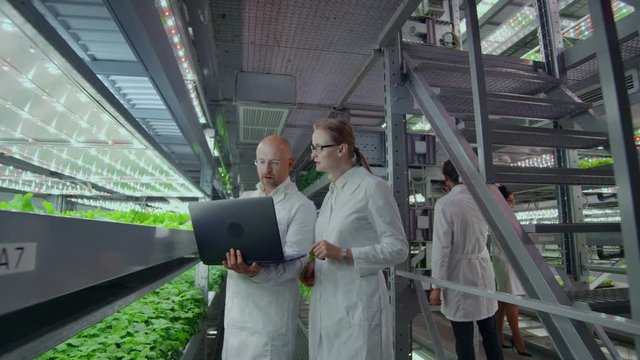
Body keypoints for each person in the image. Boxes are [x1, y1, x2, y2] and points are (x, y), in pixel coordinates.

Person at [299, 117, 409, 360]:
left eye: (319, 147)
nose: (313, 154)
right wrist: (314, 265)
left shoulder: (372, 187)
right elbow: (332, 244)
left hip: (357, 308)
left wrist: (345, 254)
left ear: (341, 149)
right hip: (328, 305)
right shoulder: (331, 193)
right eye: (313, 148)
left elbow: (398, 248)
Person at [221, 135, 317, 360]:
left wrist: (257, 272)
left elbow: (297, 264)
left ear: (290, 163)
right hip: (237, 316)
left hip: (270, 320)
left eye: (274, 162)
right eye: (261, 161)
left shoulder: (302, 207)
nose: (267, 168)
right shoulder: (244, 200)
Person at [429, 160, 503, 360]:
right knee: (490, 333)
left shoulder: (445, 204)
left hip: (458, 274)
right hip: (482, 268)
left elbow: (442, 248)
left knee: (463, 337)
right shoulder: (482, 199)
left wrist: (436, 286)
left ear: (447, 178)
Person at [492, 185, 531, 356]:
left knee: (502, 300)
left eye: (513, 201)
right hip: (504, 260)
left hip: (505, 260)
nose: (512, 204)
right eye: (509, 200)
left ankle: (498, 336)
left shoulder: (501, 215)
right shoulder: (500, 216)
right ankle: (518, 339)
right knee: (511, 299)